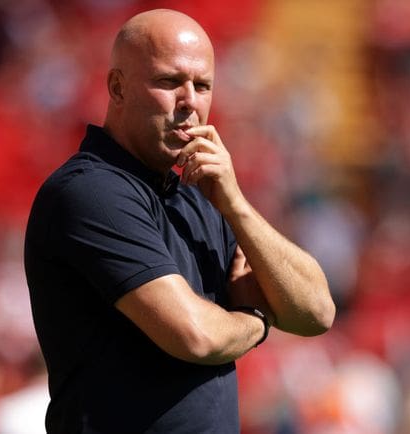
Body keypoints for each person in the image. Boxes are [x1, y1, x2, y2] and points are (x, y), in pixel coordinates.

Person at [24, 8, 335, 434]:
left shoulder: (205, 195)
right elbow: (195, 335)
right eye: (170, 82)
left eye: (202, 85)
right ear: (117, 87)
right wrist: (256, 321)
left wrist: (237, 205)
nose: (190, 100)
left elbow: (316, 312)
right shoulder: (90, 192)